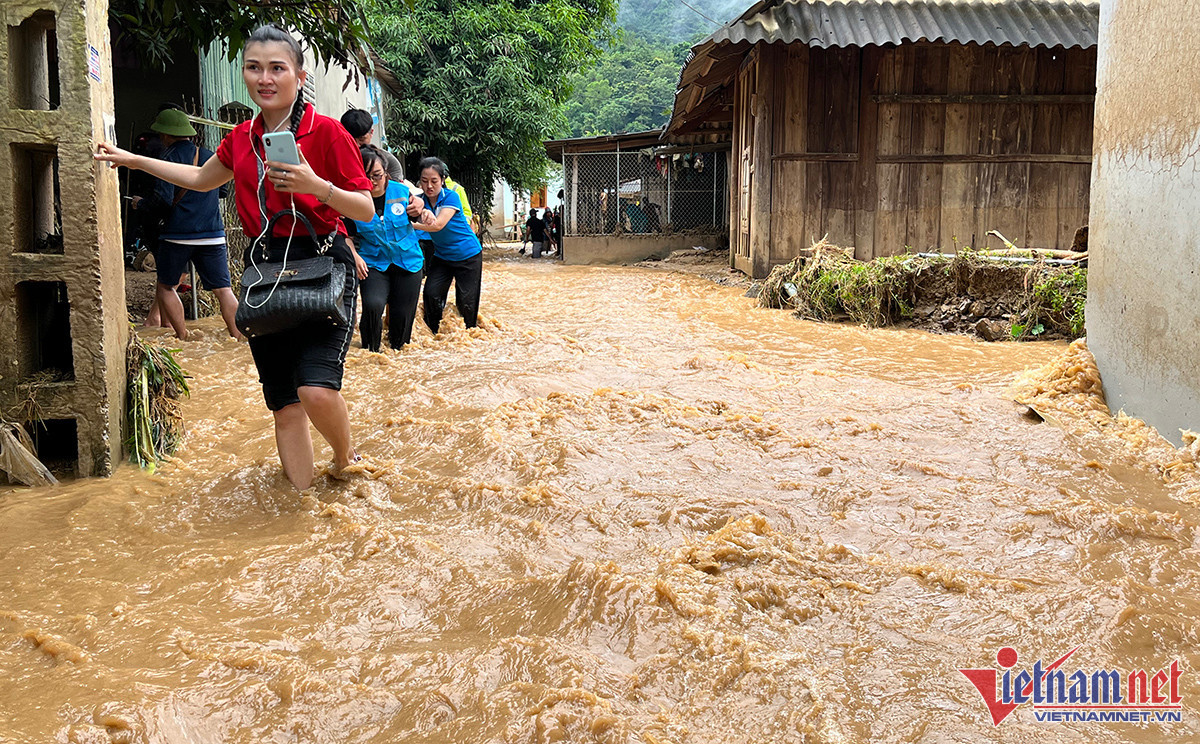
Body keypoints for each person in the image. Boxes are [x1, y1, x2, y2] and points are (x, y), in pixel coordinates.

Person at [97, 24, 377, 490]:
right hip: (266, 270)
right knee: (285, 404)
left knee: (314, 388)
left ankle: (345, 457)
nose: (264, 78)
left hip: (325, 265)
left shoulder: (327, 134)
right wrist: (136, 161)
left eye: (277, 68)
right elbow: (202, 179)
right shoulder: (242, 136)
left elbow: (364, 208)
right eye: (253, 68)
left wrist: (316, 187)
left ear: (299, 76)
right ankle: (300, 509)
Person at [138, 108, 242, 340]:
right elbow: (222, 188)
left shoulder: (167, 159)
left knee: (166, 287)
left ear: (165, 135)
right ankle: (239, 338)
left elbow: (163, 201)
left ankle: (183, 337)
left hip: (177, 235)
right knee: (224, 290)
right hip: (212, 232)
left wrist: (141, 205)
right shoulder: (208, 155)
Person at [345, 147, 425, 351]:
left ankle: (397, 355)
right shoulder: (353, 200)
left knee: (401, 321)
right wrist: (354, 256)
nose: (372, 182)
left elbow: (421, 209)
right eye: (366, 177)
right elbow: (346, 234)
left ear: (386, 173)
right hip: (373, 262)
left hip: (408, 262)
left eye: (377, 176)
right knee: (373, 305)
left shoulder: (402, 192)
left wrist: (423, 210)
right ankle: (370, 353)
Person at [411, 157, 483, 333]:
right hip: (442, 257)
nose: (429, 186)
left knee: (467, 303)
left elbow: (437, 225)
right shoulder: (419, 201)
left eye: (434, 181)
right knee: (431, 294)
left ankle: (468, 337)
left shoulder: (451, 196)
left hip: (468, 256)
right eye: (424, 181)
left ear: (442, 180)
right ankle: (434, 334)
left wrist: (409, 226)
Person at [340, 109, 404, 182]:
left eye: (362, 139)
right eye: (351, 140)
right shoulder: (336, 160)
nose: (356, 145)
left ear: (371, 133)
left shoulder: (389, 162)